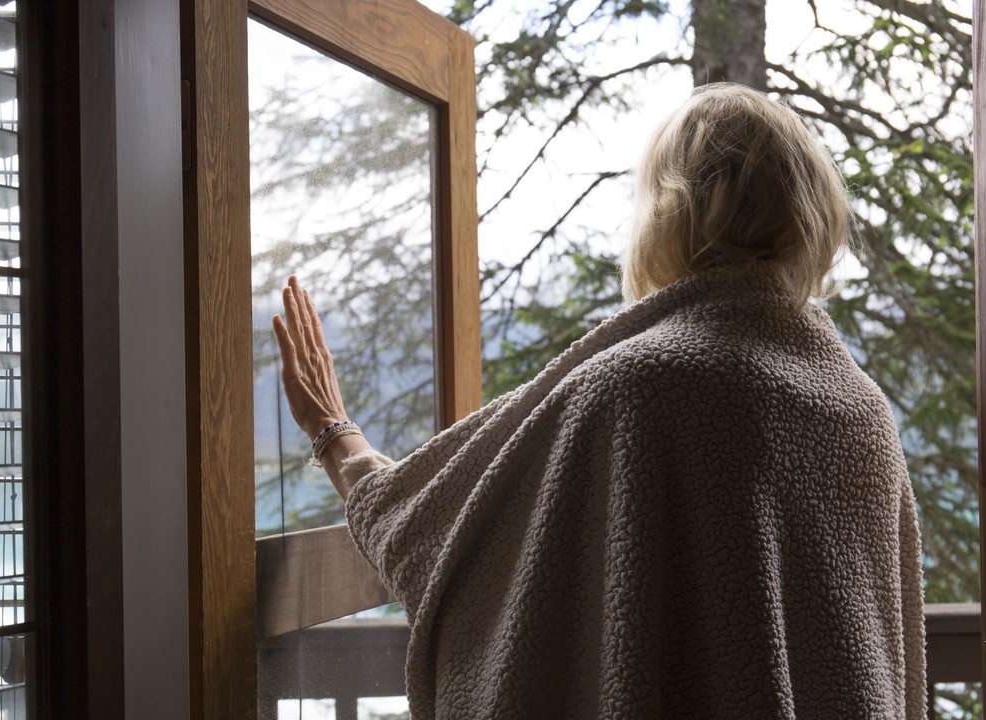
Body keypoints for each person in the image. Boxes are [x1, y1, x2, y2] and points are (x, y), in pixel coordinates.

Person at [272, 82, 926, 719]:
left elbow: (445, 542)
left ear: (667, 210)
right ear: (809, 208)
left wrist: (334, 435)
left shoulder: (637, 390)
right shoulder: (860, 408)